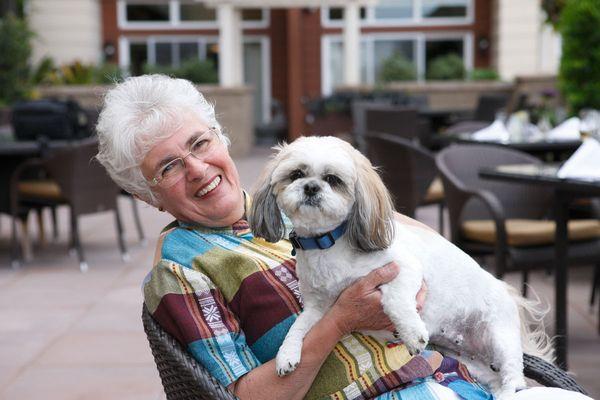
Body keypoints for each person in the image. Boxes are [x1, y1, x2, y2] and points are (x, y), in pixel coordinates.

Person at [96, 75, 591, 400]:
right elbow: (245, 397)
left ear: (220, 138)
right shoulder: (183, 271)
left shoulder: (287, 201)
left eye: (200, 143)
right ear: (147, 195)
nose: (198, 169)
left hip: (456, 374)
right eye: (169, 167)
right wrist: (341, 320)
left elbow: (409, 239)